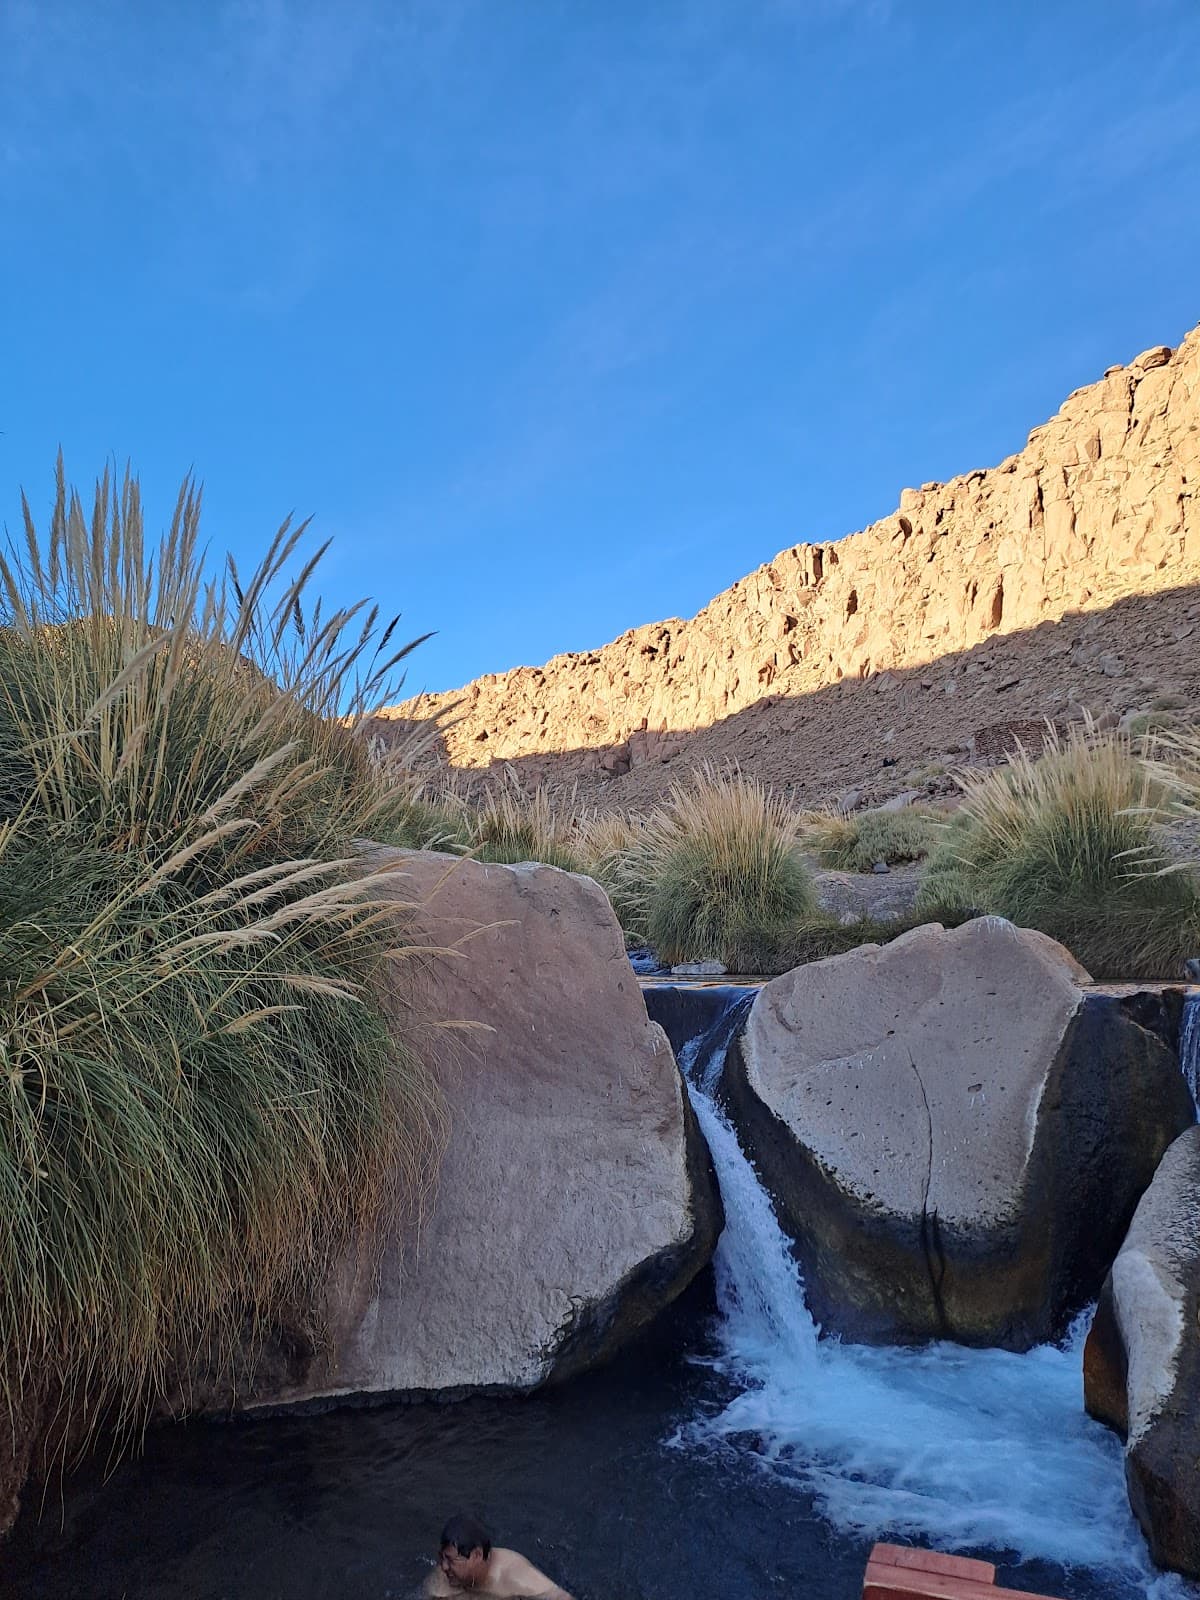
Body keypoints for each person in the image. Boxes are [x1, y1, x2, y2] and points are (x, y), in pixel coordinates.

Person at [422, 1514, 574, 1599]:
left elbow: (562, 1597)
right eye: (442, 1557)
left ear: (477, 1555)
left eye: (450, 1560)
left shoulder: (513, 1575)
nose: (443, 1566)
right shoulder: (441, 1580)